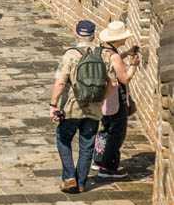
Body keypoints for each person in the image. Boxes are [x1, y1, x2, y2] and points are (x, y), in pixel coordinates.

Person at [49, 20, 116, 194]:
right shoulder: (104, 55)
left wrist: (53, 105)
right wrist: (101, 98)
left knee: (63, 139)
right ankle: (80, 183)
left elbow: (60, 83)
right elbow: (113, 84)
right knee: (87, 145)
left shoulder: (71, 55)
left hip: (72, 106)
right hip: (93, 109)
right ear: (94, 35)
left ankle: (69, 177)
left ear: (76, 34)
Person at [93, 21, 140, 178]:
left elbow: (112, 61)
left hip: (103, 98)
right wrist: (133, 65)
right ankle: (108, 167)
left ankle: (99, 159)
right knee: (117, 133)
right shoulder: (114, 57)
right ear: (118, 39)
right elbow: (124, 78)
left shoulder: (101, 50)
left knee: (105, 128)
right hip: (115, 99)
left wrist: (125, 54)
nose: (125, 40)